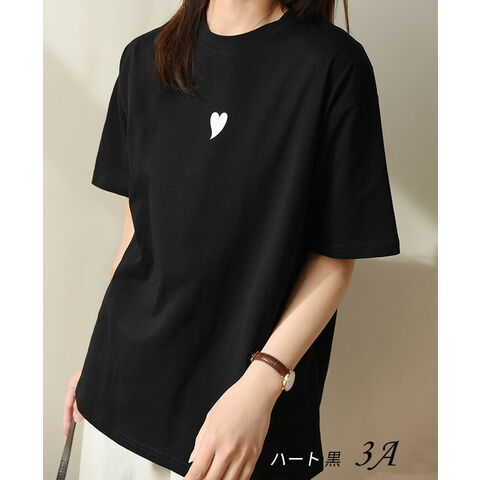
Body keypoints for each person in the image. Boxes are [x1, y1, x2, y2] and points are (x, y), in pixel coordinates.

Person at [62, 1, 400, 479]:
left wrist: (263, 382)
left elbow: (334, 257)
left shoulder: (332, 64)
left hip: (244, 410)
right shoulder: (144, 59)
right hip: (119, 392)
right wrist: (97, 359)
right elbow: (136, 232)